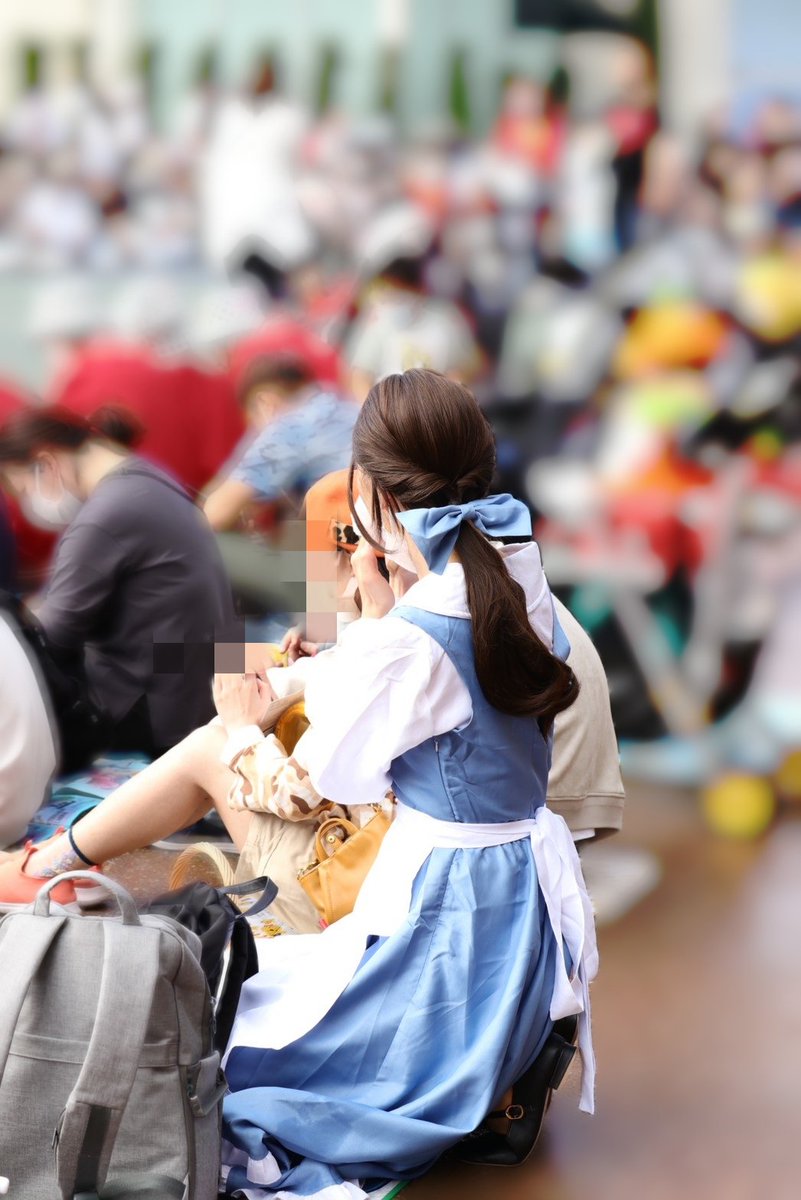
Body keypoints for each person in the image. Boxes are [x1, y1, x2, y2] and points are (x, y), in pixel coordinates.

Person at [0, 371, 598, 1197]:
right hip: (515, 899)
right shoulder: (510, 574)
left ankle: (49, 861)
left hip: (447, 908)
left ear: (373, 497)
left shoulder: (412, 635)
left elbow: (319, 781)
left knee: (243, 1050)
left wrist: (244, 721)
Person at [0, 405, 239, 759]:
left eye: (23, 490)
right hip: (199, 695)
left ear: (45, 463)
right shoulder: (149, 477)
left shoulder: (105, 515)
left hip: (152, 716)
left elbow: (49, 641)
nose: (28, 504)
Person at [203, 354, 359, 532]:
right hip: (382, 527)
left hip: (357, 538)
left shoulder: (290, 426)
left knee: (301, 535)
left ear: (265, 402)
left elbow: (215, 515)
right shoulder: (340, 401)